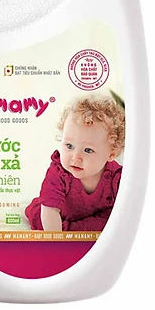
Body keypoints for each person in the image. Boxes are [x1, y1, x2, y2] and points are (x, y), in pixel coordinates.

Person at [25, 95, 125, 232]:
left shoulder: (116, 177)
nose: (75, 157)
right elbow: (50, 209)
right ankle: (69, 230)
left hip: (92, 216)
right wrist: (57, 239)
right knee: (39, 218)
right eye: (69, 146)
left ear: (111, 154)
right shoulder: (58, 172)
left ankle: (72, 230)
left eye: (88, 150)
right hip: (57, 215)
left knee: (108, 221)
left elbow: (123, 211)